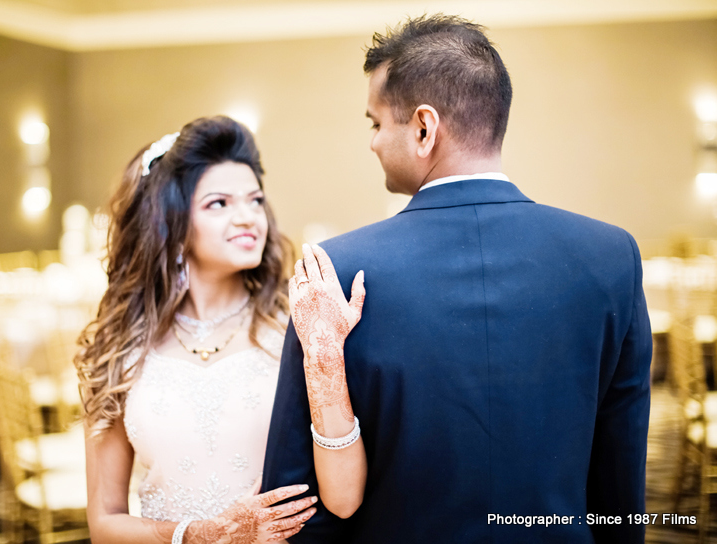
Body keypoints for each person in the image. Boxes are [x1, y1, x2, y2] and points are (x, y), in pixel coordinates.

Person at [262, 14, 652, 544]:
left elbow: (294, 503)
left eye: (376, 123)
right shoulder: (611, 256)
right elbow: (619, 471)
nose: (373, 143)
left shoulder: (334, 270)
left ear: (424, 128)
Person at [76, 116, 318, 544]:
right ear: (172, 223)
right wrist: (198, 535)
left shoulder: (295, 326)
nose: (248, 218)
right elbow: (104, 523)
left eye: (255, 200)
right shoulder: (120, 347)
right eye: (219, 204)